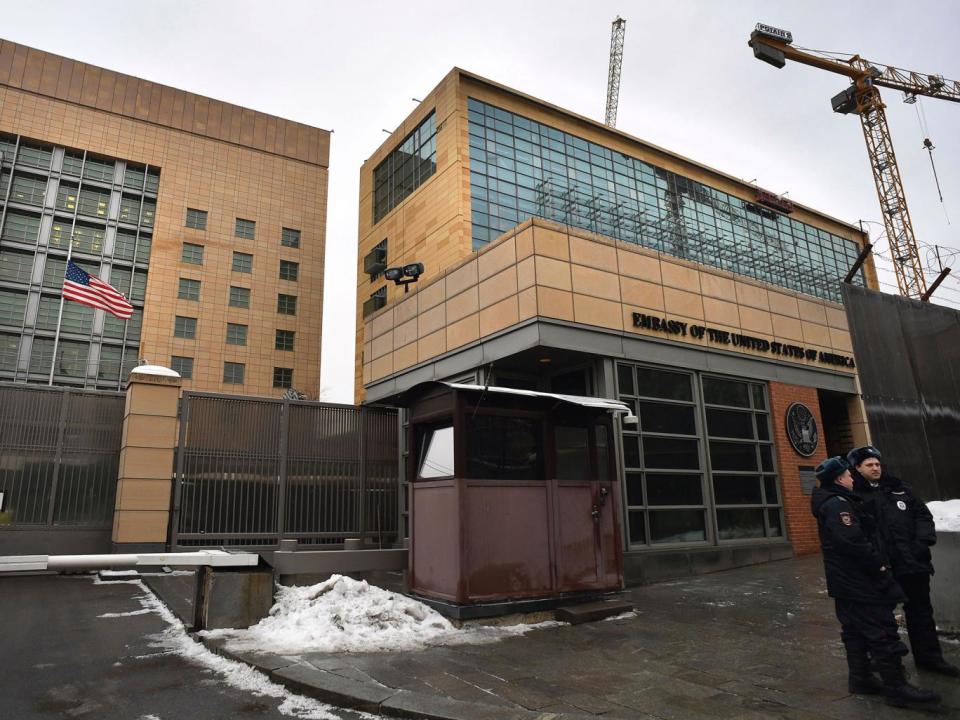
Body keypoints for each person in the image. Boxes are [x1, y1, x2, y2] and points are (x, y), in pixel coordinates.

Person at [811, 456, 940, 707]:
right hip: (858, 581)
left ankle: (861, 678)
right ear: (839, 478)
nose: (852, 478)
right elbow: (853, 542)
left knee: (855, 631)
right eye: (849, 474)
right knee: (882, 631)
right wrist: (879, 567)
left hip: (846, 581)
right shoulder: (838, 504)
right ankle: (896, 687)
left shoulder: (837, 501)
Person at [848, 445, 960, 677]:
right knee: (881, 618)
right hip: (883, 568)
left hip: (913, 564)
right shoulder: (854, 496)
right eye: (869, 464)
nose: (875, 467)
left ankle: (930, 658)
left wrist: (922, 543)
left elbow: (923, 516)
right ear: (857, 468)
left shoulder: (899, 488)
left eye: (877, 463)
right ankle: (887, 665)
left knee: (921, 613)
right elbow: (856, 533)